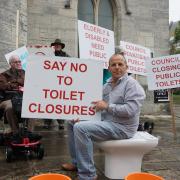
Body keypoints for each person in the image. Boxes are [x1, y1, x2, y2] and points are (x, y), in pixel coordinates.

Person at [61, 53, 146, 180]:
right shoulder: (107, 84)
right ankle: (77, 163)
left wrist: (107, 106)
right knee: (71, 122)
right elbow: (96, 105)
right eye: (113, 65)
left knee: (81, 128)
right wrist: (83, 115)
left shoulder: (132, 85)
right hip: (108, 121)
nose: (117, 67)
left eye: (120, 64)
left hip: (123, 127)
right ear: (109, 68)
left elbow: (130, 110)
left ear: (126, 67)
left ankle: (88, 174)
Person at [0, 55, 37, 141]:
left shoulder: (24, 73)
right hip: (7, 98)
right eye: (16, 62)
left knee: (33, 106)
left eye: (19, 61)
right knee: (10, 107)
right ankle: (15, 133)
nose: (18, 63)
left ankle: (29, 132)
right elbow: (3, 86)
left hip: (22, 97)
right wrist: (19, 82)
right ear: (10, 64)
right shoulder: (3, 74)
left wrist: (13, 82)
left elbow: (31, 82)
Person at [44, 39, 70, 130]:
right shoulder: (48, 55)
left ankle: (61, 122)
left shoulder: (67, 56)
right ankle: (47, 122)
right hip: (50, 82)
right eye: (56, 45)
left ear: (61, 46)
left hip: (61, 82)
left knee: (60, 102)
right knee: (48, 102)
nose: (57, 46)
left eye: (59, 45)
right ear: (53, 46)